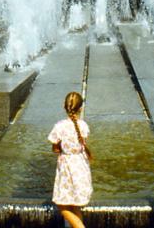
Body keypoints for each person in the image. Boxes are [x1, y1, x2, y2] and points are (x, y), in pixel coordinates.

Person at [47, 91, 92, 228]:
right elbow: (82, 142)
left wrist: (60, 148)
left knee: (62, 205)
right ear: (81, 108)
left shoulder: (59, 126)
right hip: (81, 167)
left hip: (67, 169)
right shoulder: (83, 126)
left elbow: (55, 148)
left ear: (64, 106)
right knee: (75, 205)